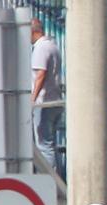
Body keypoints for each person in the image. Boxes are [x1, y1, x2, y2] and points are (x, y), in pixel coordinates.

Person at [30, 18, 63, 174]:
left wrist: (32, 99)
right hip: (55, 100)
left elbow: (40, 74)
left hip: (43, 103)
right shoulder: (52, 45)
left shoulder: (41, 48)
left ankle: (48, 181)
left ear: (33, 31)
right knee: (50, 144)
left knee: (44, 145)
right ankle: (56, 180)